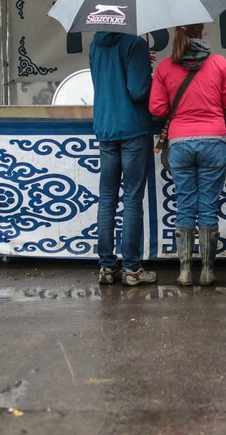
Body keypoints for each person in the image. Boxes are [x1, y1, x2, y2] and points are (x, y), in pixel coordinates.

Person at [150, 24, 226, 287]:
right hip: (213, 140)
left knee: (185, 204)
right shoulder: (219, 62)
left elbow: (157, 107)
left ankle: (185, 272)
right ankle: (209, 272)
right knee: (208, 206)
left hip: (179, 142)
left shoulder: (166, 67)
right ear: (202, 34)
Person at [89, 31, 159, 286]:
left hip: (105, 127)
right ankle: (132, 268)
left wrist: (140, 61)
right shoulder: (135, 43)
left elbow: (106, 81)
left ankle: (106, 268)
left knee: (107, 198)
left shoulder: (95, 44)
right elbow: (138, 90)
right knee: (131, 198)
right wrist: (148, 73)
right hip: (132, 129)